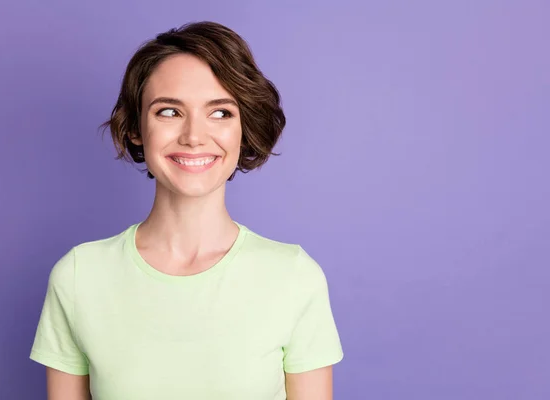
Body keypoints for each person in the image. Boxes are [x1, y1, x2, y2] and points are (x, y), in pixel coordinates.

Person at [30, 21, 343, 400]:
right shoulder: (79, 276)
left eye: (221, 113)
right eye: (168, 112)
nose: (194, 136)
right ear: (135, 128)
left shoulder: (294, 276)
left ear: (244, 129)